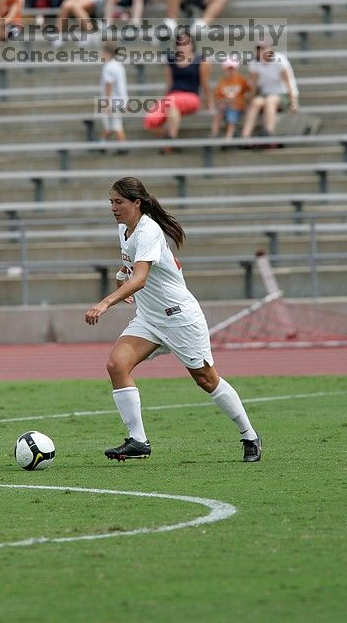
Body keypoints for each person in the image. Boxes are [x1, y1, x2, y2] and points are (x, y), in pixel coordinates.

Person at [84, 176, 261, 463]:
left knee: (206, 380)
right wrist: (120, 277)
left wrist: (105, 302)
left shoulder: (149, 230)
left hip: (179, 318)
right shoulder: (124, 230)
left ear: (136, 203)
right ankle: (139, 441)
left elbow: (140, 279)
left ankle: (250, 435)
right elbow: (132, 267)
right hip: (150, 319)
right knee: (117, 365)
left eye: (119, 202)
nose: (113, 208)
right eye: (111, 202)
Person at [144, 30, 213, 151]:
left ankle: (169, 143)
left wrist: (210, 103)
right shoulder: (171, 60)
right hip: (173, 97)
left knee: (172, 103)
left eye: (186, 43)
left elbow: (205, 84)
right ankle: (171, 138)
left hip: (191, 97)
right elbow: (169, 83)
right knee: (150, 121)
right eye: (180, 43)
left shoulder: (201, 60)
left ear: (192, 44)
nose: (183, 46)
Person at [241, 40, 299, 139]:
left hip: (283, 94)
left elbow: (288, 82)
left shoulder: (279, 59)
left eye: (264, 48)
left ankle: (269, 132)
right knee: (256, 102)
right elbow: (254, 85)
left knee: (270, 100)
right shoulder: (254, 63)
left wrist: (294, 102)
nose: (261, 51)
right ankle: (245, 136)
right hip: (266, 94)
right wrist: (249, 99)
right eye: (259, 48)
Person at [211, 57, 252, 139]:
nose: (230, 71)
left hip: (237, 106)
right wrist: (224, 102)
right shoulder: (222, 82)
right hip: (226, 106)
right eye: (228, 69)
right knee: (218, 113)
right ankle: (214, 134)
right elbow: (217, 97)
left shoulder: (241, 80)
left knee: (231, 115)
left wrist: (245, 102)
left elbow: (249, 91)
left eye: (232, 69)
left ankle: (228, 137)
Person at [99, 41, 127, 146]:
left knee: (114, 125)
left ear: (108, 53)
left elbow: (109, 85)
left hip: (112, 101)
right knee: (111, 125)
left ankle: (122, 147)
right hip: (119, 100)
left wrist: (106, 103)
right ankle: (102, 145)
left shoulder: (108, 67)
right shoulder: (119, 66)